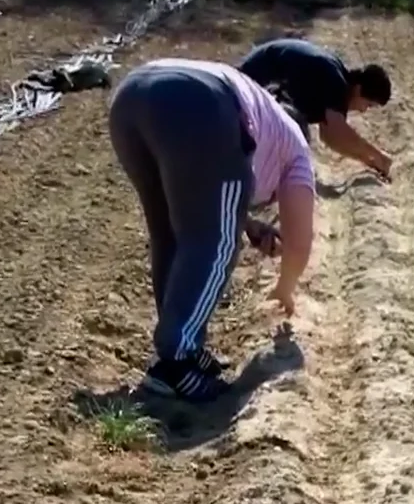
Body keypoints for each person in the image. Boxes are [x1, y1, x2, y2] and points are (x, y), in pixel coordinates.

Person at [107, 57, 316, 402]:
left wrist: (246, 222)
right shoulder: (298, 151)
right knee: (216, 243)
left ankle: (183, 348)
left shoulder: (266, 121)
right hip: (202, 105)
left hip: (132, 98)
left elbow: (201, 192)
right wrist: (285, 288)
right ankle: (176, 363)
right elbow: (300, 242)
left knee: (171, 235)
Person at [238, 37, 394, 180]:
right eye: (368, 105)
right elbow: (339, 131)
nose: (363, 110)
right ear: (359, 89)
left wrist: (368, 160)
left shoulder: (335, 76)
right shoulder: (336, 83)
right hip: (247, 88)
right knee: (295, 137)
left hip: (249, 86)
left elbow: (330, 137)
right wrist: (378, 155)